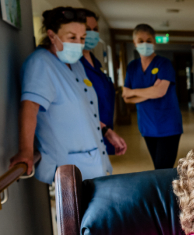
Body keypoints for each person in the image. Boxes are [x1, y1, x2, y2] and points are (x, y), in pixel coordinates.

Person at [9, 7, 125, 183]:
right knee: (76, 210)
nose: (78, 43)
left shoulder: (76, 64)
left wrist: (107, 131)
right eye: (72, 37)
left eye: (82, 38)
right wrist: (26, 151)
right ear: (51, 35)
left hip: (92, 161)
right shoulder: (41, 64)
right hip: (68, 167)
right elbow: (30, 107)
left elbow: (84, 110)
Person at [123, 23, 183, 170]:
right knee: (158, 166)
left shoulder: (164, 64)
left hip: (168, 125)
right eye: (141, 40)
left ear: (154, 42)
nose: (145, 44)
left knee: (163, 169)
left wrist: (134, 91)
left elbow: (160, 92)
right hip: (146, 125)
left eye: (149, 40)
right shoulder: (132, 67)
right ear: (135, 43)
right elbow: (126, 97)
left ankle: (167, 193)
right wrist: (150, 91)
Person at [78, 8, 124, 156]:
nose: (91, 33)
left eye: (95, 29)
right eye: (87, 29)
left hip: (102, 134)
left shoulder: (96, 64)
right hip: (85, 137)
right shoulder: (73, 65)